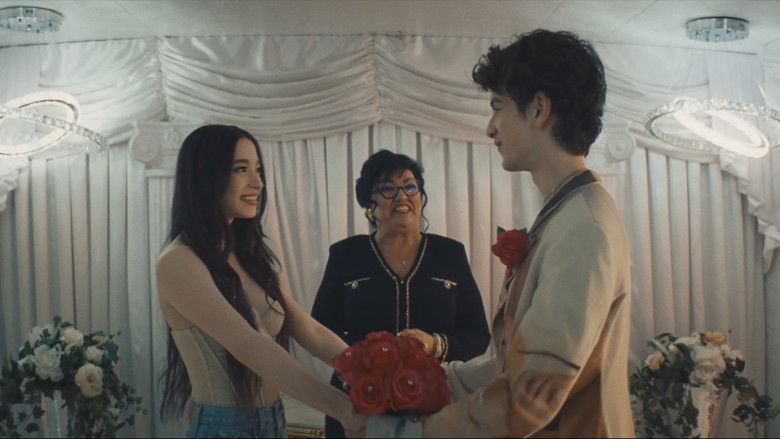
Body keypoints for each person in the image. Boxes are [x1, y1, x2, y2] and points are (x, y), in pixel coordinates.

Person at [414, 30, 635, 437]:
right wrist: (439, 381)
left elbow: (532, 395)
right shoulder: (567, 213)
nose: (490, 128)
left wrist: (410, 433)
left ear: (538, 109)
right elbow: (522, 364)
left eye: (498, 108)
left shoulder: (584, 226)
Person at [156, 125, 366, 438]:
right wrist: (341, 407)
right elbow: (250, 344)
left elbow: (309, 330)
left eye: (258, 170)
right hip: (223, 429)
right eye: (241, 169)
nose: (258, 183)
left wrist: (370, 372)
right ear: (205, 175)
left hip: (273, 422)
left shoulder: (247, 256)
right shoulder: (178, 261)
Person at [311, 149, 491, 438]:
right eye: (387, 188)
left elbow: (477, 333)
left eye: (409, 186)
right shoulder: (346, 254)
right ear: (368, 200)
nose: (401, 196)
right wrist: (363, 363)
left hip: (434, 403)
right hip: (359, 403)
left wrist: (435, 344)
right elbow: (319, 328)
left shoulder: (450, 253)